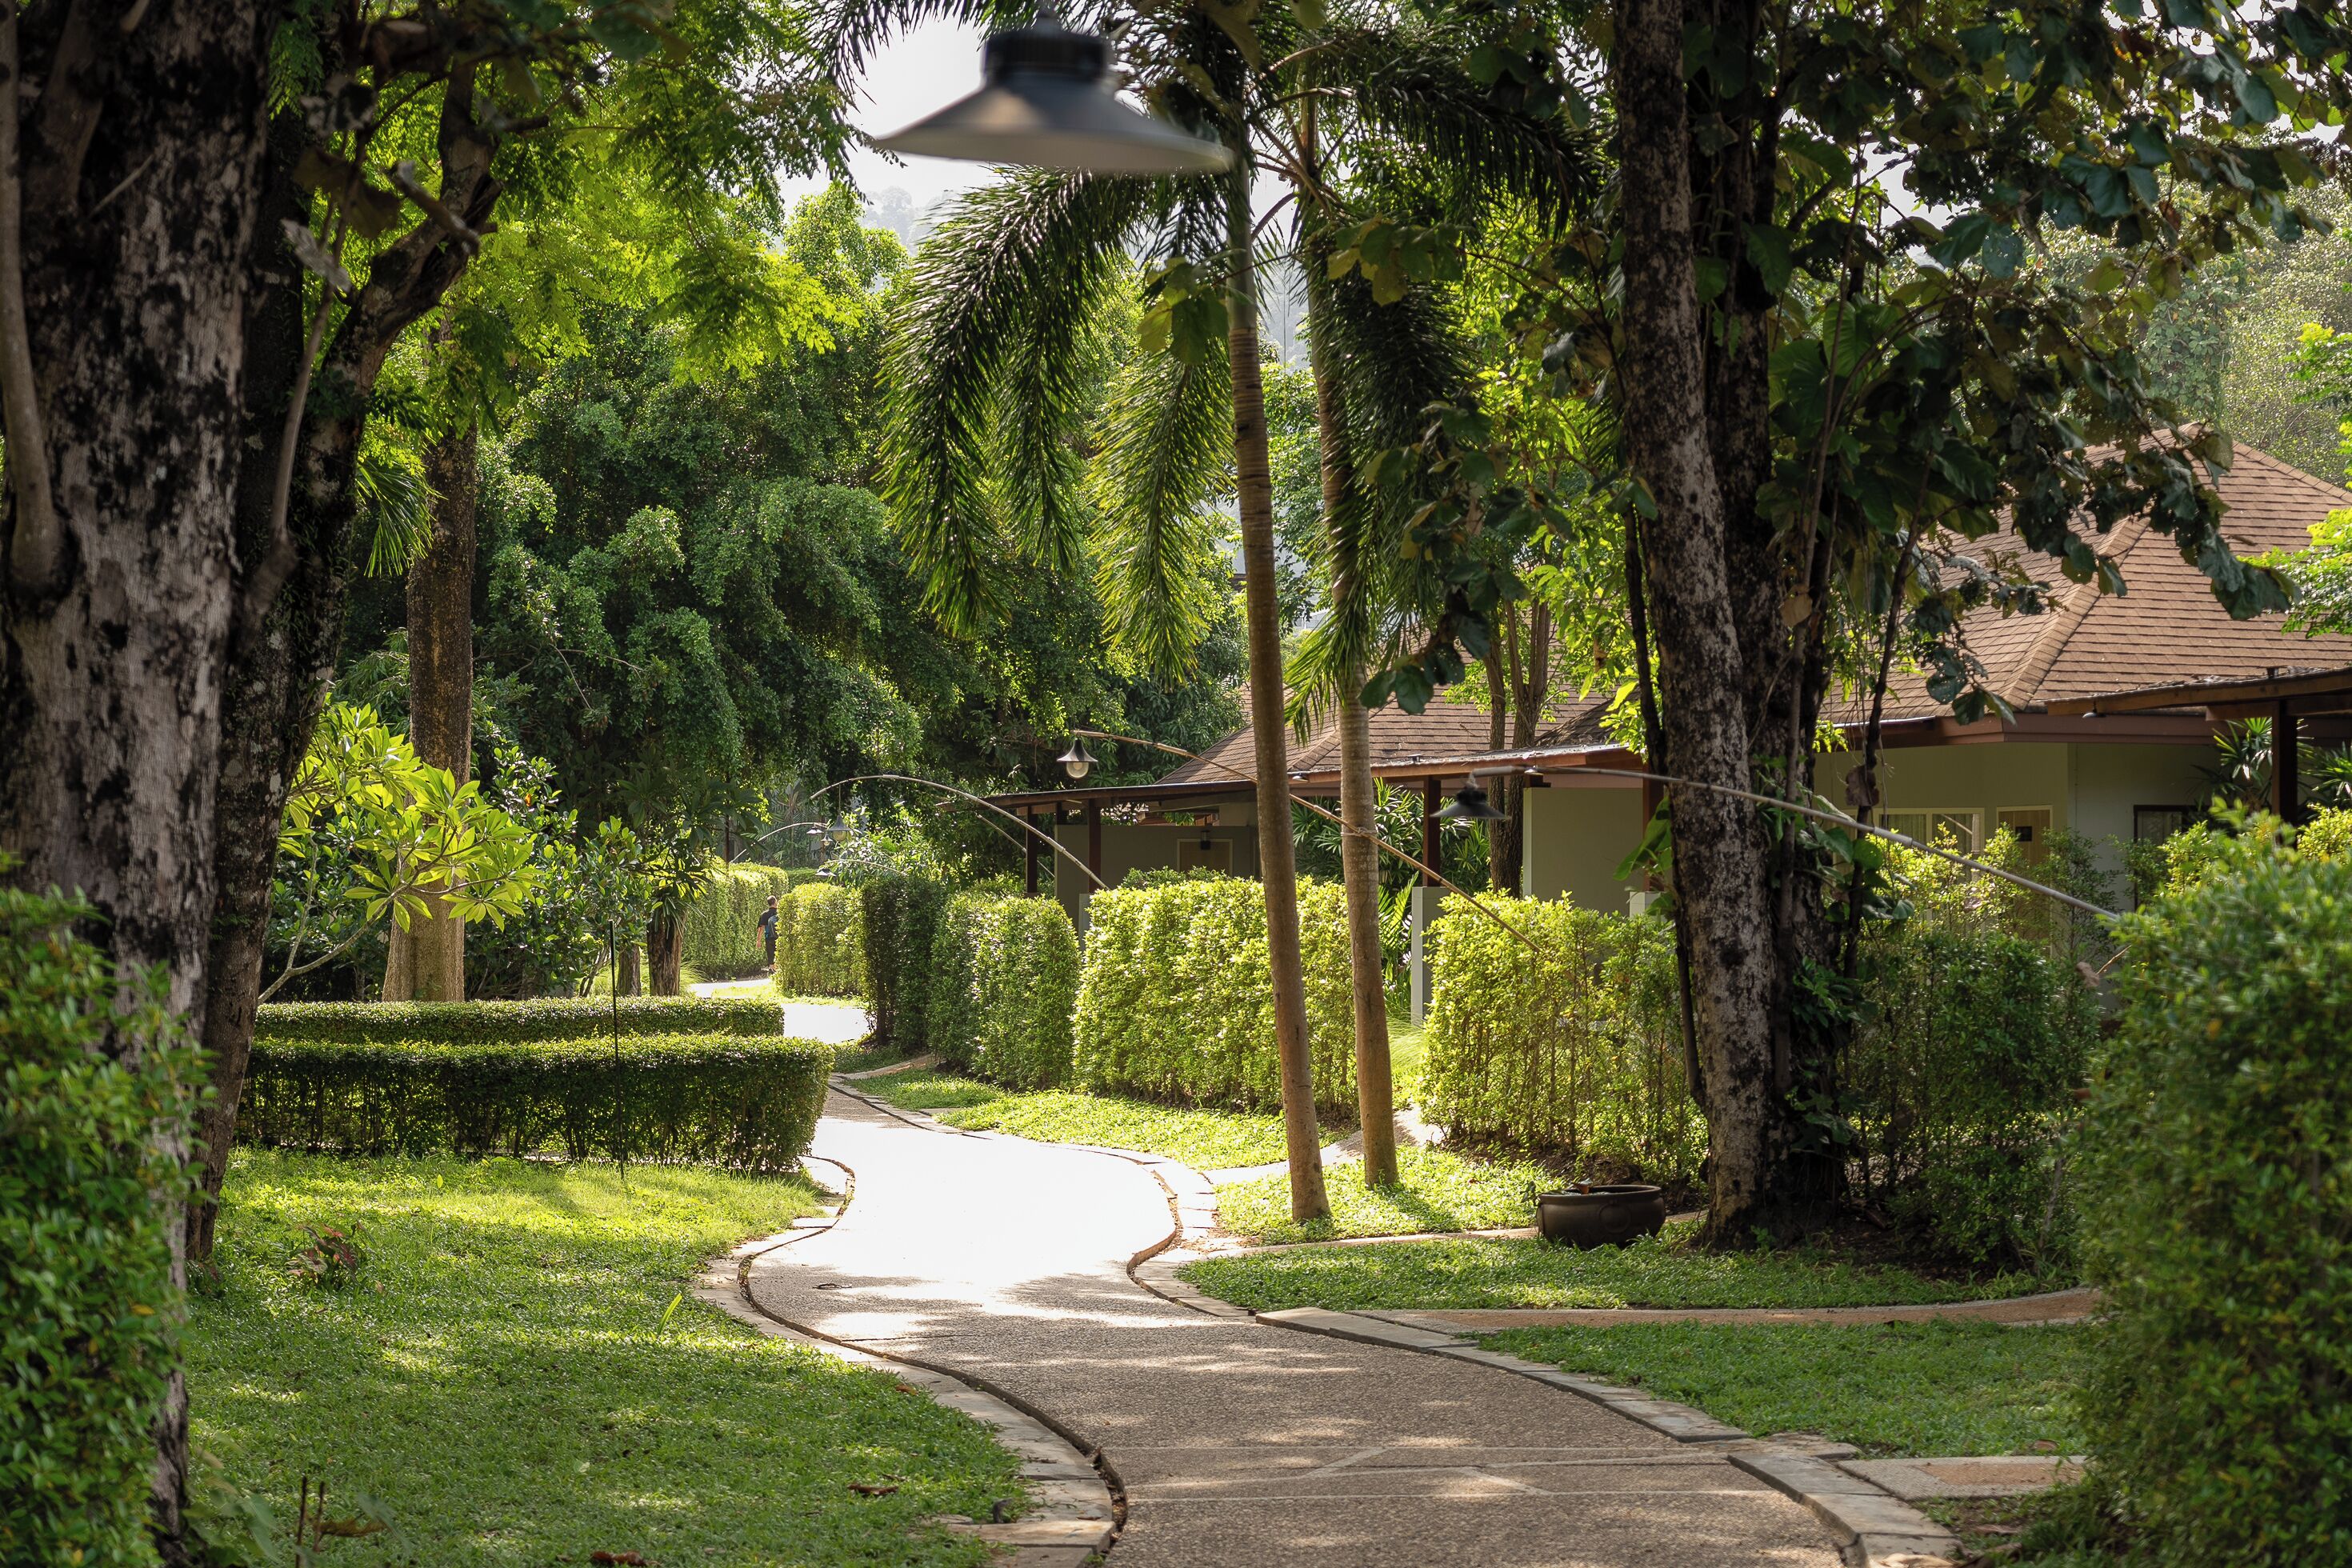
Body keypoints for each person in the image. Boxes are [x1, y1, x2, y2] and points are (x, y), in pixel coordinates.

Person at [758, 894, 781, 971]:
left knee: (771, 956)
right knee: (779, 955)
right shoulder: (780, 913)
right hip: (779, 938)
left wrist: (759, 941)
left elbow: (761, 929)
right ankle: (779, 973)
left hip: (769, 938)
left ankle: (772, 971)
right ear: (775, 902)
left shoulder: (764, 914)